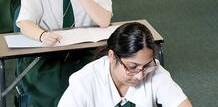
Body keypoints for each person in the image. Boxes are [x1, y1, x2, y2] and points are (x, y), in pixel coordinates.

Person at [58, 22, 192, 107]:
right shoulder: (84, 81)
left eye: (146, 66)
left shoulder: (154, 70)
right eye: (132, 67)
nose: (140, 76)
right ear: (112, 56)